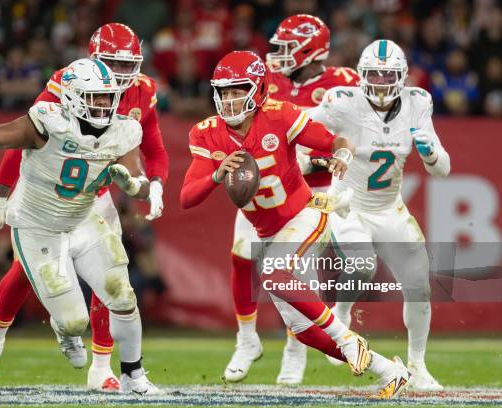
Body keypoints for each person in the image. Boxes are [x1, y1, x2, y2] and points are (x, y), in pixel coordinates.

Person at [180, 50, 410, 400]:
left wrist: (343, 156)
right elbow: (187, 197)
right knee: (302, 328)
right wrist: (216, 173)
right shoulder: (207, 133)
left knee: (272, 273)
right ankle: (389, 370)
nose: (229, 99)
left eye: (238, 89)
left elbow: (335, 141)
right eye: (223, 91)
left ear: (258, 89)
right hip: (268, 231)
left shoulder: (280, 115)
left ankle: (349, 339)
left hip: (305, 215)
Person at [0, 58, 162, 396]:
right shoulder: (48, 120)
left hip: (84, 218)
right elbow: (1, 134)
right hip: (36, 225)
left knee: (121, 293)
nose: (104, 104)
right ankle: (55, 329)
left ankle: (135, 376)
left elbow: (139, 178)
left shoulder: (124, 129)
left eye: (107, 97)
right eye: (95, 97)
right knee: (75, 321)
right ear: (73, 97)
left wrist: (135, 186)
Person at [224, 14, 361, 385]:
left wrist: (316, 158)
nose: (277, 55)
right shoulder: (266, 78)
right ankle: (246, 338)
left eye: (286, 48)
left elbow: (351, 138)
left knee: (295, 274)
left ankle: (295, 348)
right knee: (241, 255)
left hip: (312, 189)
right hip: (265, 182)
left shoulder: (343, 84)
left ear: (312, 50)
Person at [309, 39, 450, 392]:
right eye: (374, 74)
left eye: (389, 76)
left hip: (389, 207)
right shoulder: (343, 103)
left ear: (402, 77)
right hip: (347, 203)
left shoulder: (417, 103)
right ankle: (341, 317)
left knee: (419, 284)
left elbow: (443, 169)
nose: (381, 82)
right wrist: (308, 160)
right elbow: (299, 133)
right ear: (361, 74)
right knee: (362, 264)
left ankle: (417, 365)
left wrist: (431, 153)